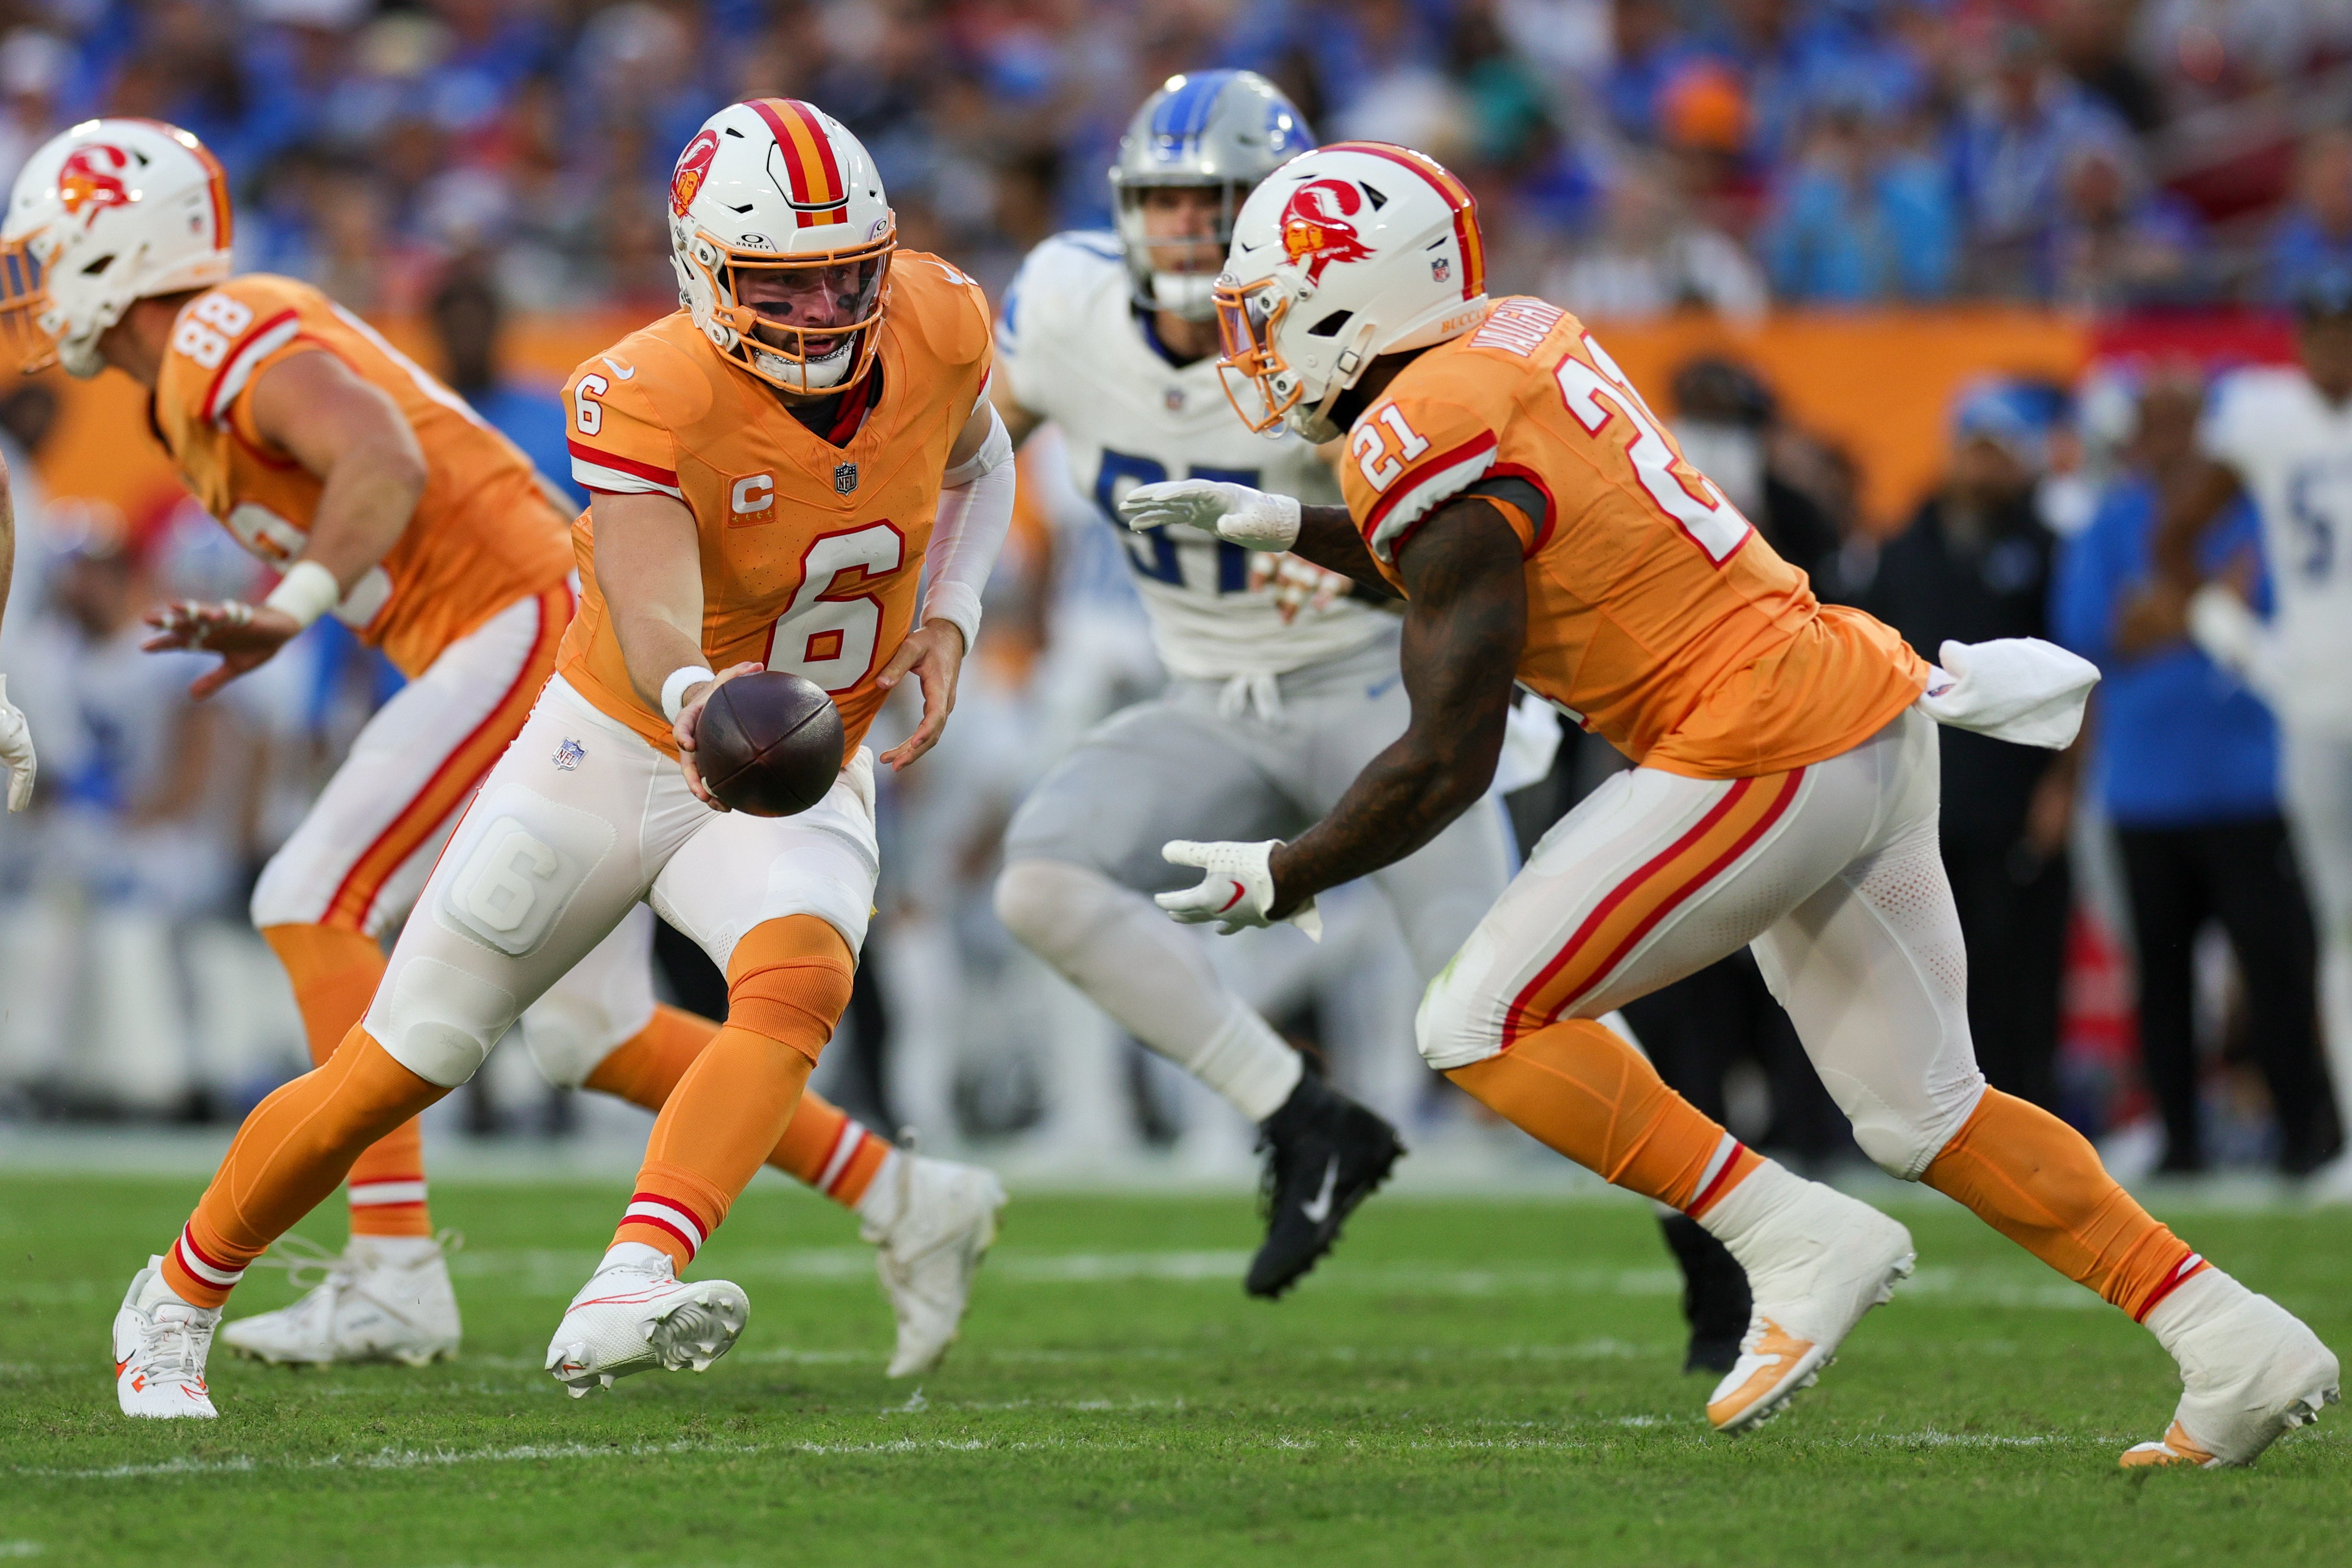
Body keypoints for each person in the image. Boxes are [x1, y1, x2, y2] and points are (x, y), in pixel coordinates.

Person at [1122, 138, 2338, 1466]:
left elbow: (1447, 752)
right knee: (1926, 1110)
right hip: (1846, 699)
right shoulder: (1510, 345)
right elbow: (1487, 559)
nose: (1258, 344)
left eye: (1274, 310)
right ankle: (2232, 1337)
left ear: (1355, 295)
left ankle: (1787, 1232)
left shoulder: (1420, 427)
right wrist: (1286, 528)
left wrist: (1288, 871)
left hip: (1756, 739)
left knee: (1475, 1021)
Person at [0, 107, 1011, 1417]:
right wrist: (707, 695)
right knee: (409, 1052)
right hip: (615, 739)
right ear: (707, 272)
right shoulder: (646, 385)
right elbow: (649, 609)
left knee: (796, 977)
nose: (825, 308)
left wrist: (954, 611)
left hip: (777, 755)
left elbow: (983, 461)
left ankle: (629, 1278)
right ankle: (181, 1291)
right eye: (784, 282)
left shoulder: (936, 318)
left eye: (845, 272)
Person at [988, 69, 1504, 1298]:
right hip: (1211, 699)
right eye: (1164, 204)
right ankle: (1302, 1116)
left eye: (1216, 204)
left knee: (1498, 1014)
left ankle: (1715, 1226)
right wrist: (931, 615)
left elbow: (1453, 564)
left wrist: (1334, 553)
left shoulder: (1344, 326)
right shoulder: (1063, 301)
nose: (1186, 231)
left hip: (1378, 697)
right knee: (1042, 885)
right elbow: (961, 464)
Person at [2051, 369, 2336, 1176]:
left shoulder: (2264, 512)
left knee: (2278, 969)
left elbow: (2289, 624)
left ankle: (2304, 1133)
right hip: (2146, 790)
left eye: (2183, 425)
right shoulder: (2111, 523)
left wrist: (2165, 611)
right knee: (2163, 976)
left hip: (2251, 782)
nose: (2169, 443)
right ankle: (2179, 1137)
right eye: (2155, 425)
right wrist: (2210, 607)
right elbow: (2090, 635)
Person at [2153, 270, 2352, 1201]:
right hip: (2313, 702)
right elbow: (2177, 536)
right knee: (2341, 929)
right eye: (2320, 329)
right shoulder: (2266, 419)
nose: (2333, 348)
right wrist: (2226, 628)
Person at [1857, 382, 2078, 1111]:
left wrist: (2060, 787)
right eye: (1973, 451)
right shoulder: (1901, 549)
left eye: (1996, 453)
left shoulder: (2045, 550)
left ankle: (2030, 1112)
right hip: (1922, 797)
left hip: (2016, 794)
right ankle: (1933, 1115)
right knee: (1926, 968)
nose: (1982, 470)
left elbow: (2075, 676)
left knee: (2022, 964)